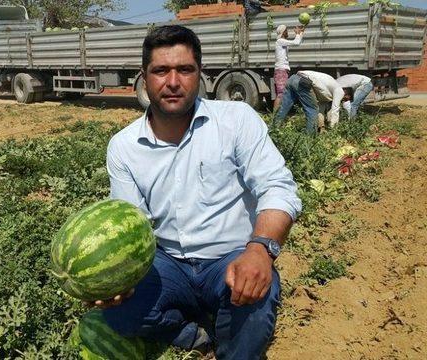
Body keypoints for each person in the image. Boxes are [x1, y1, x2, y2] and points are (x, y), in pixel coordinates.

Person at [94, 25, 302, 359]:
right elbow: (130, 222)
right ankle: (193, 335)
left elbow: (277, 187)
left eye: (185, 70)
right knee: (118, 312)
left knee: (255, 306)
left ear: (199, 75)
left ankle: (229, 342)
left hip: (229, 258)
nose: (173, 82)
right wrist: (114, 278)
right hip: (167, 262)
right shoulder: (123, 147)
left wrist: (261, 249)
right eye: (161, 71)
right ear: (144, 77)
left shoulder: (236, 120)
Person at [274, 70, 346, 135]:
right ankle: (310, 137)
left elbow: (321, 107)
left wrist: (322, 126)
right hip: (304, 82)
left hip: (292, 79)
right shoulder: (339, 91)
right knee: (312, 110)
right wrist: (333, 129)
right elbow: (335, 109)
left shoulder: (329, 85)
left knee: (283, 108)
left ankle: (274, 129)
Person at [273, 24, 304, 111]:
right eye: (286, 30)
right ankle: (274, 117)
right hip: (281, 71)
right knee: (281, 94)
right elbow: (296, 42)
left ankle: (278, 115)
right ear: (283, 32)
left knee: (284, 93)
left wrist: (301, 33)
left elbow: (298, 42)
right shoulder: (280, 41)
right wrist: (298, 34)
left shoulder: (282, 42)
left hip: (283, 70)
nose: (288, 32)